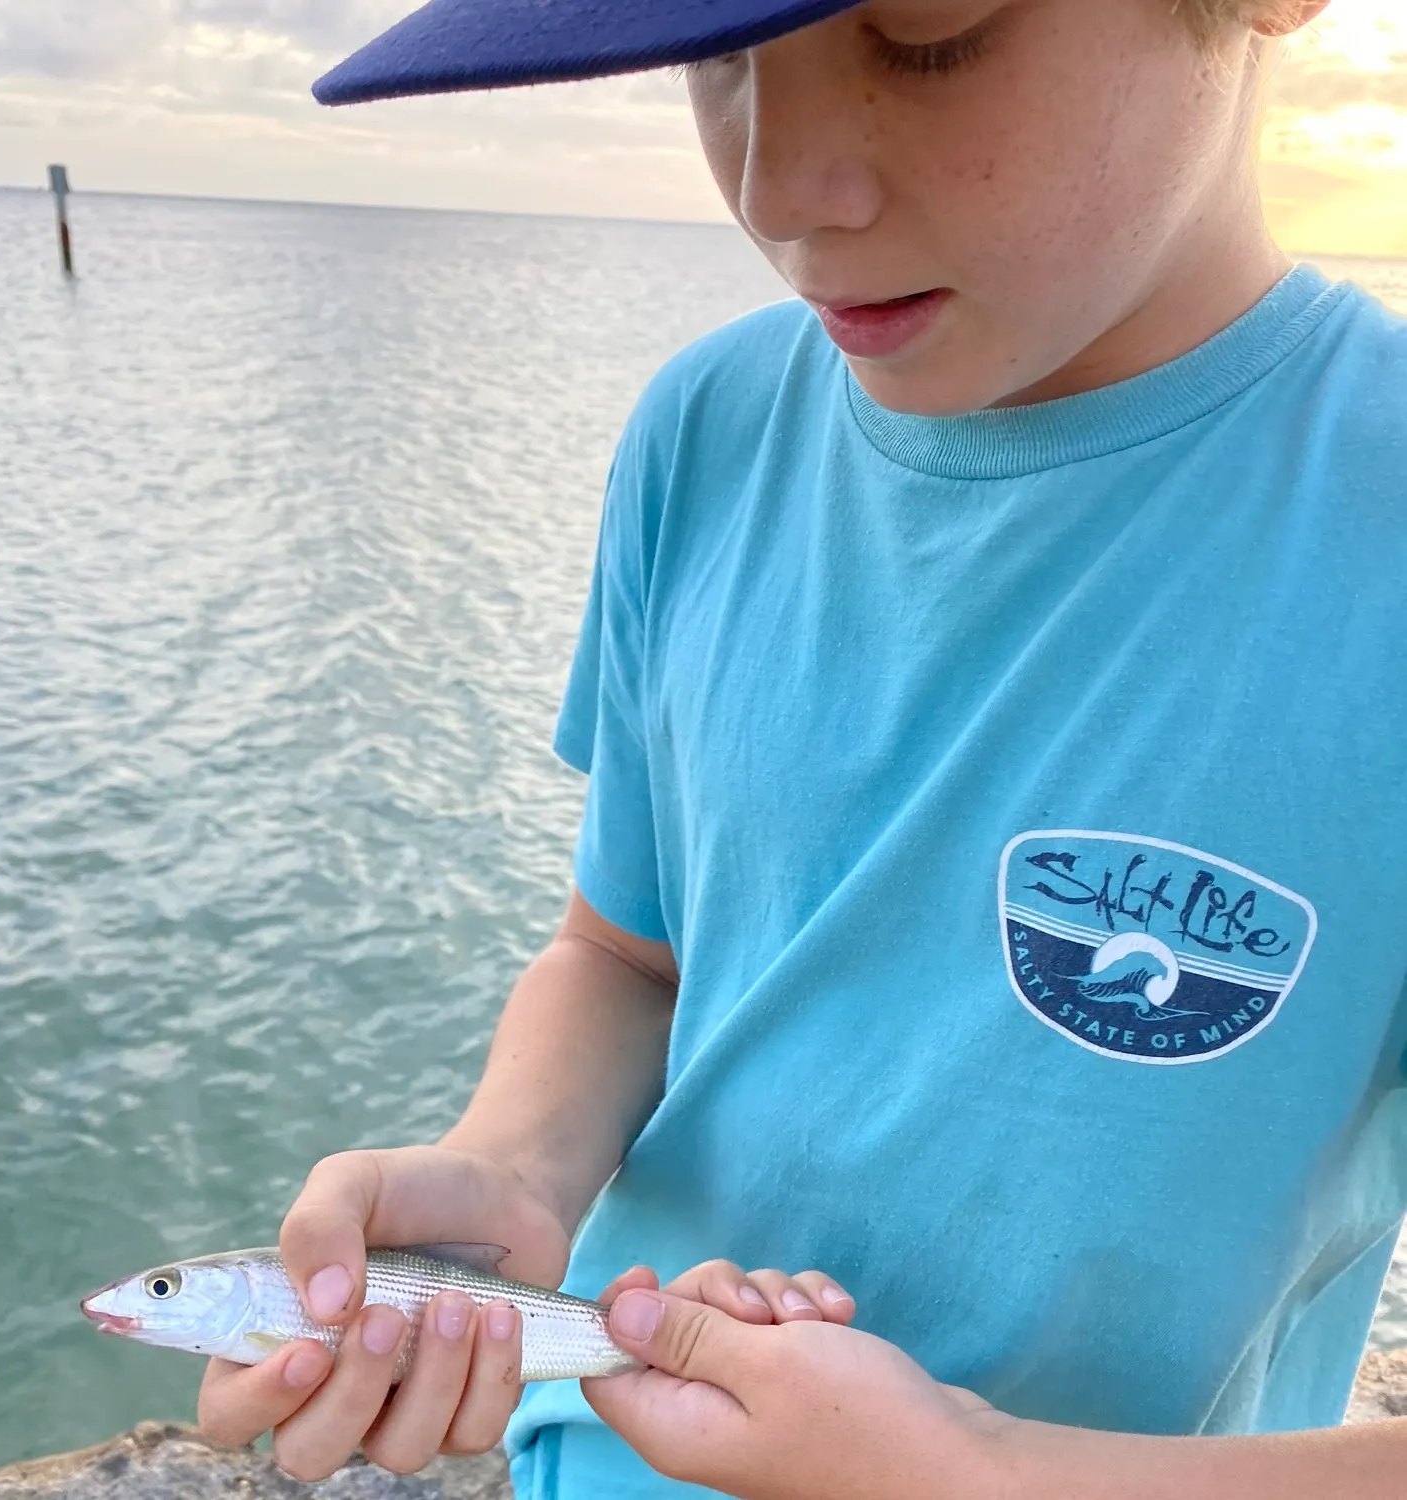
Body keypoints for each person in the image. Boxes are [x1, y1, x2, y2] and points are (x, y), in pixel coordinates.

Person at [197, 0, 1407, 1495]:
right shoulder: (705, 433)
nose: (777, 189)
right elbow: (632, 956)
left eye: (926, 34)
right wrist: (517, 1169)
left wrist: (980, 1471)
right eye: (715, 54)